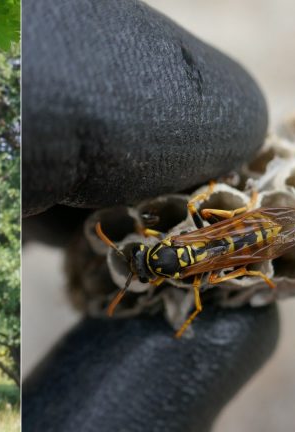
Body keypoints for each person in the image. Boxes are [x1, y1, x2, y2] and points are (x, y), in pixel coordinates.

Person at [22, 1, 278, 430]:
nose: (144, 260)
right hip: (246, 232)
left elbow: (199, 286)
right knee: (220, 240)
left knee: (218, 260)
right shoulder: (177, 245)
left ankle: (263, 262)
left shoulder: (176, 265)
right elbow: (206, 229)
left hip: (245, 240)